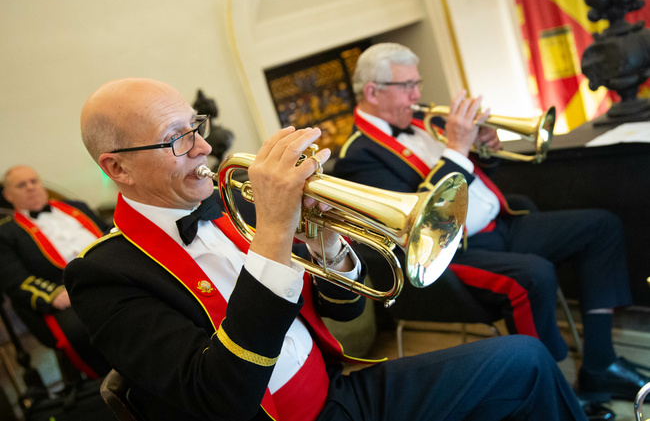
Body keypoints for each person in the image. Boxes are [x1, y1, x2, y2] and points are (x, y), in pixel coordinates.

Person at [62, 77, 588, 421]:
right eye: (176, 138)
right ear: (118, 168)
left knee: (526, 359)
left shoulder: (231, 208)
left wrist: (330, 250)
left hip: (339, 395)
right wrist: (272, 233)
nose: (203, 147)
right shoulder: (103, 274)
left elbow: (346, 313)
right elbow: (218, 395)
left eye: (195, 128)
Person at [333, 42, 650, 403]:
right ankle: (555, 393)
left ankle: (599, 364)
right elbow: (422, 216)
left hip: (500, 225)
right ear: (373, 92)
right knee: (535, 274)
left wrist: (483, 146)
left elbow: (473, 180)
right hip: (452, 255)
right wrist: (457, 147)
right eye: (407, 86)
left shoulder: (422, 125)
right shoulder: (357, 157)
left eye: (417, 83)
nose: (418, 94)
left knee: (601, 227)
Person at [0, 166, 111, 379]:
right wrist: (53, 295)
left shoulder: (76, 207)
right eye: (21, 185)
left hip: (112, 273)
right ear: (8, 195)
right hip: (69, 292)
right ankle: (111, 380)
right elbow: (15, 281)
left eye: (34, 181)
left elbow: (109, 234)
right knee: (83, 331)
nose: (30, 188)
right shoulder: (6, 233)